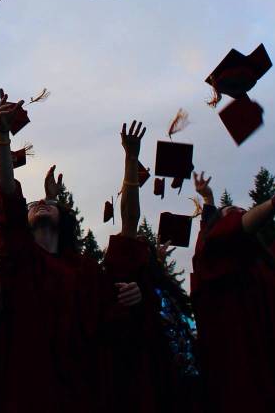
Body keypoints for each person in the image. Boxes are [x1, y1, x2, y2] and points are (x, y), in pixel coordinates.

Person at [0, 90, 139, 413]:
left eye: (49, 204)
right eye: (32, 206)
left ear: (63, 216)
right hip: (30, 388)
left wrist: (131, 294)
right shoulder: (20, 259)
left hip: (83, 389)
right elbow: (7, 190)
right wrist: (2, 134)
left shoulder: (84, 270)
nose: (40, 204)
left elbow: (113, 312)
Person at [191, 181, 275, 413]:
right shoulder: (212, 262)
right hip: (240, 388)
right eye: (231, 214)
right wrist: (274, 202)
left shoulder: (273, 270)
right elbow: (222, 233)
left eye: (243, 212)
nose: (240, 214)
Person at [101, 120, 183, 413]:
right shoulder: (127, 278)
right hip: (138, 385)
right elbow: (129, 220)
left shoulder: (170, 298)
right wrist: (131, 159)